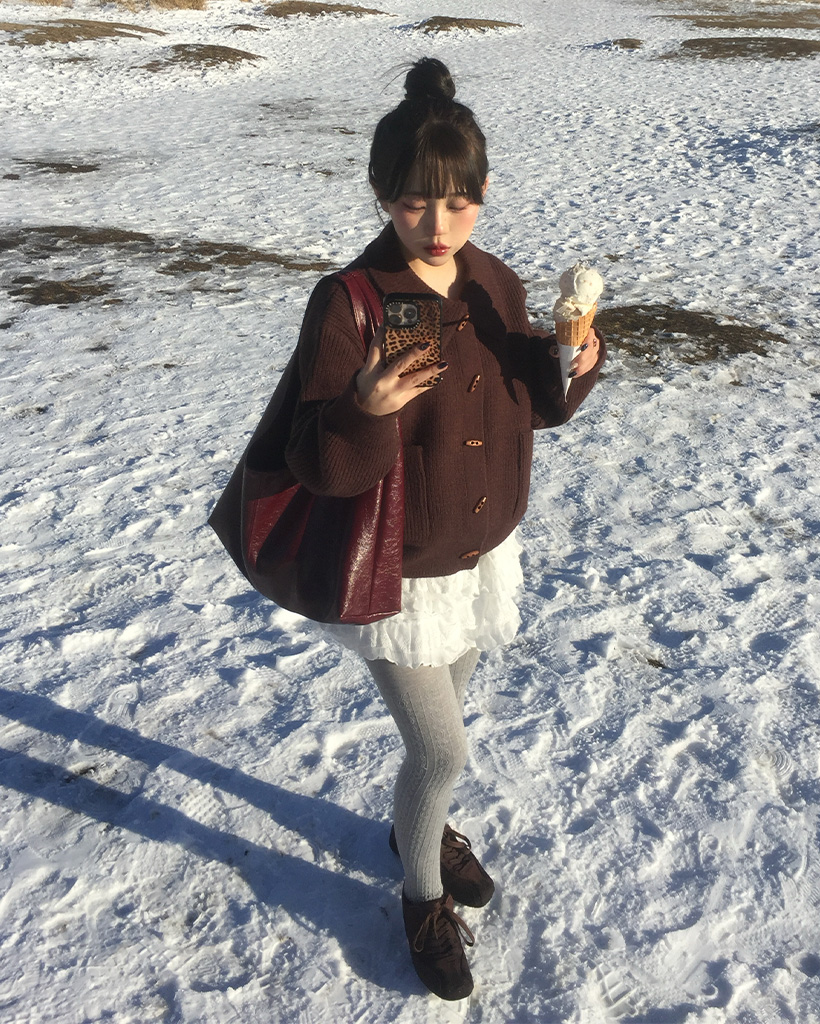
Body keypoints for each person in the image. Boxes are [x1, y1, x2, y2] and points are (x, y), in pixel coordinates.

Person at [283, 58, 605, 1000]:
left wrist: (571, 360)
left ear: (484, 193)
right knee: (442, 751)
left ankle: (413, 828)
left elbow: (530, 400)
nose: (436, 224)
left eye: (457, 203)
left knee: (442, 737)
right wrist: (363, 408)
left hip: (476, 551)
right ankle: (420, 895)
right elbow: (313, 460)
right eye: (414, 202)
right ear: (382, 194)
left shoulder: (495, 281)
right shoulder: (350, 301)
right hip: (398, 568)